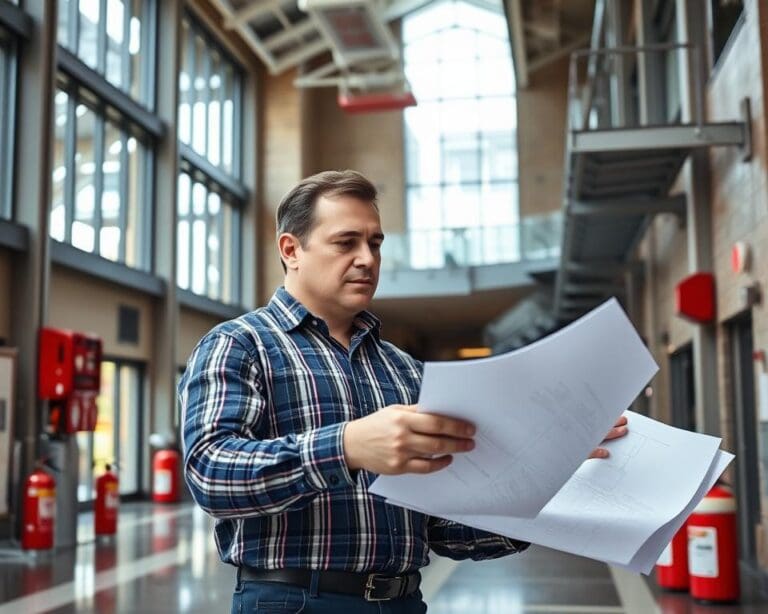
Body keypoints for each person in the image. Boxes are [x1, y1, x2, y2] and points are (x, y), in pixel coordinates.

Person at [179, 170, 629, 613]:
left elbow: (443, 527)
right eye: (346, 242)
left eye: (375, 243)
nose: (367, 259)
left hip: (403, 603)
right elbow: (210, 473)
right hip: (292, 602)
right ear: (291, 250)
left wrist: (545, 483)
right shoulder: (240, 345)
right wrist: (347, 447)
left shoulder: (404, 369)